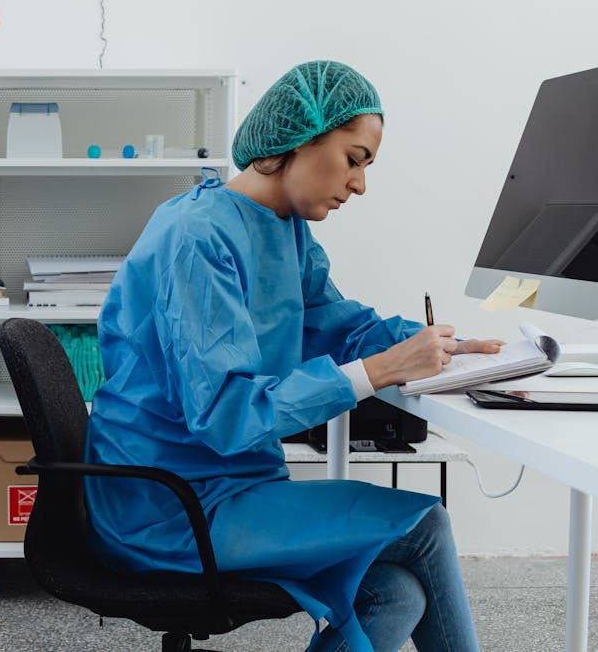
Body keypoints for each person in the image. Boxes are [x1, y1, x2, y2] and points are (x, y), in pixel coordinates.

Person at [85, 61, 492, 652]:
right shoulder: (197, 235)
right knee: (425, 524)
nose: (359, 184)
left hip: (231, 488)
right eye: (354, 159)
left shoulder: (285, 229)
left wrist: (443, 348)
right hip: (169, 506)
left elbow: (338, 325)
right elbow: (227, 416)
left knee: (395, 592)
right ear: (297, 140)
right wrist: (380, 371)